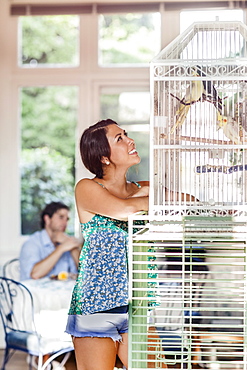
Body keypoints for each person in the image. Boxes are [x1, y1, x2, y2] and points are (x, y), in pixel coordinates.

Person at [65, 119, 196, 370]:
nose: (129, 140)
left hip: (137, 303)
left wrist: (146, 196)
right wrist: (148, 199)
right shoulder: (87, 188)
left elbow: (186, 201)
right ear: (104, 157)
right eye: (119, 139)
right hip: (96, 304)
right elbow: (123, 210)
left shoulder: (143, 188)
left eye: (125, 134)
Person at [19, 201, 81, 281]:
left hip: (62, 292)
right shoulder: (31, 243)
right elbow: (35, 274)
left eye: (67, 219)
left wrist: (73, 247)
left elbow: (85, 274)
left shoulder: (67, 241)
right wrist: (61, 248)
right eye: (61, 217)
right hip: (34, 292)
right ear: (47, 219)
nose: (65, 223)